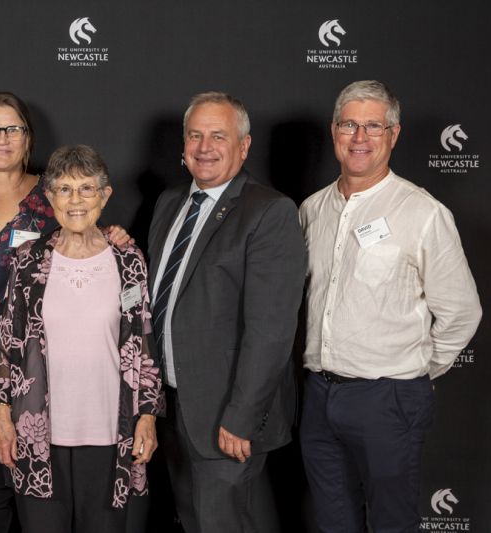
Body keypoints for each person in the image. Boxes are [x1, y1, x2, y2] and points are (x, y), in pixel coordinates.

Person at [0, 92, 132, 531]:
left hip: (40, 371)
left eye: (14, 129)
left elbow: (89, 238)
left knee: (47, 495)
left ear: (28, 139)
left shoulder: (53, 196)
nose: (2, 138)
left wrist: (115, 234)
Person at [298, 80, 483, 532]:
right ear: (334, 131)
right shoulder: (312, 209)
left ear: (393, 134)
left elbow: (462, 311)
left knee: (391, 523)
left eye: (373, 126)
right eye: (349, 125)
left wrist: (419, 372)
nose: (359, 137)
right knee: (332, 521)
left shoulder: (422, 213)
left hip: (387, 398)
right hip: (318, 395)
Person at [147, 92, 307, 533]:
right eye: (195, 135)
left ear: (244, 145)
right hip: (172, 405)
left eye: (218, 136)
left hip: (225, 416)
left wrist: (241, 417)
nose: (204, 147)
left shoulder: (269, 211)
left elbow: (271, 331)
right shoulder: (170, 203)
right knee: (191, 519)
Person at [0, 144, 163, 533]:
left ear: (105, 195)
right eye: (64, 189)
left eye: (86, 188)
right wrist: (1, 414)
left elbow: (143, 345)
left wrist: (148, 417)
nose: (76, 200)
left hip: (111, 434)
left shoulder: (128, 261)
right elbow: (8, 343)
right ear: (50, 198)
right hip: (37, 435)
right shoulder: (28, 260)